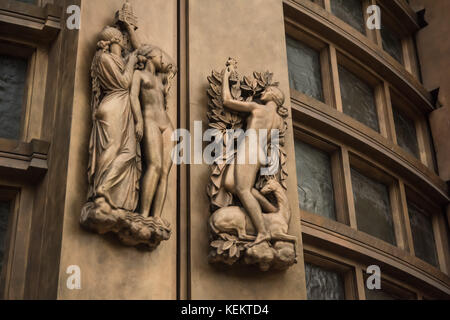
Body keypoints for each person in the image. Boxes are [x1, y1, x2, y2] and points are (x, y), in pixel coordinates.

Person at [221, 65, 286, 246]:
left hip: (249, 149)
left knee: (242, 190)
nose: (263, 92)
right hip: (258, 153)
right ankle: (270, 208)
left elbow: (227, 101)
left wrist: (226, 77)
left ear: (273, 95)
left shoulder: (258, 108)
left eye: (267, 91)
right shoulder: (279, 121)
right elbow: (275, 143)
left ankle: (263, 231)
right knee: (229, 184)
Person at [87, 25, 140, 212]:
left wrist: (130, 29)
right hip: (114, 106)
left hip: (122, 107)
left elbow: (140, 51)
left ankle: (108, 189)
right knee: (111, 149)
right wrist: (132, 62)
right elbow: (124, 83)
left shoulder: (118, 59)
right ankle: (100, 190)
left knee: (129, 152)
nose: (126, 42)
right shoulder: (104, 58)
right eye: (123, 38)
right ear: (116, 40)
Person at [130, 44, 177, 219]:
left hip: (167, 125)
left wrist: (169, 80)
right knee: (154, 165)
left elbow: (174, 66)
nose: (162, 60)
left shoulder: (160, 79)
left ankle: (156, 216)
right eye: (159, 56)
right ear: (149, 57)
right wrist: (138, 121)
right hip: (149, 120)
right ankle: (143, 213)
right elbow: (133, 97)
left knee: (164, 171)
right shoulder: (138, 74)